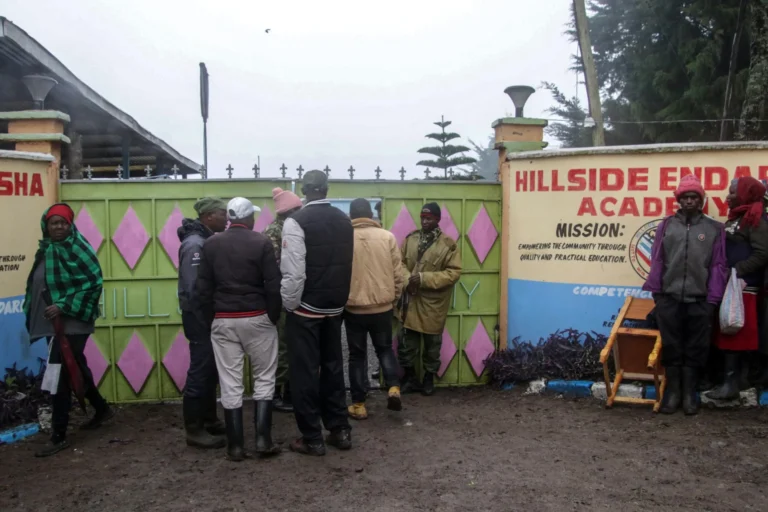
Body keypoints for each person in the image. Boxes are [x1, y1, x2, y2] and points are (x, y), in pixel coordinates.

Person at [196, 197, 282, 461]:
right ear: (250, 219)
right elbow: (272, 283)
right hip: (257, 317)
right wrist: (273, 316)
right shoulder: (261, 242)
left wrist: (212, 318)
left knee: (230, 383)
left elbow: (202, 288)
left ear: (231, 218)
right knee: (264, 377)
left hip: (223, 319)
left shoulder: (211, 244)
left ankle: (235, 446)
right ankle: (262, 440)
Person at [24, 203, 112, 457]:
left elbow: (92, 283)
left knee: (61, 372)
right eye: (54, 223)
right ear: (46, 226)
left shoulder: (78, 248)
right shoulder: (46, 250)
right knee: (77, 366)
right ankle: (101, 408)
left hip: (74, 320)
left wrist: (63, 305)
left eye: (63, 223)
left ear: (70, 225)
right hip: (53, 322)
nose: (59, 227)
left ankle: (58, 435)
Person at [281, 170, 354, 456]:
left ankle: (312, 437)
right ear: (326, 189)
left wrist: (290, 304)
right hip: (334, 306)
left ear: (304, 190)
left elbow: (294, 272)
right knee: (334, 367)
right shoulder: (344, 220)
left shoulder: (296, 222)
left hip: (305, 309)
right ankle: (340, 429)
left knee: (305, 373)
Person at [642, 175, 728, 415]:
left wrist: (712, 299)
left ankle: (690, 394)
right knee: (672, 346)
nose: (690, 201)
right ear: (679, 200)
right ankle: (673, 393)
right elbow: (658, 260)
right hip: (669, 298)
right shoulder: (667, 226)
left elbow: (718, 266)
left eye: (694, 197)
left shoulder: (714, 229)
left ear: (701, 200)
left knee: (696, 347)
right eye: (685, 197)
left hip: (700, 300)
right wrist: (658, 293)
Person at [706, 177, 768, 400]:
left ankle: (731, 384)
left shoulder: (756, 220)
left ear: (745, 194)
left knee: (735, 332)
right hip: (731, 286)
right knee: (728, 331)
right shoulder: (739, 217)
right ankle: (736, 379)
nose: (727, 197)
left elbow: (762, 253)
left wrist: (738, 270)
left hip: (743, 288)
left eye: (732, 193)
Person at [345, 198, 405, 420]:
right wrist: (393, 298)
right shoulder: (387, 237)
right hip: (383, 306)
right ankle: (393, 388)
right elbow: (398, 274)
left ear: (351, 216)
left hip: (354, 308)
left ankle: (359, 404)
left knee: (356, 356)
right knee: (385, 348)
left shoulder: (345, 238)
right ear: (371, 215)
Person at [177, 197, 228, 449]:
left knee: (210, 369)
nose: (227, 218)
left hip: (205, 315)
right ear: (208, 217)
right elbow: (194, 288)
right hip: (199, 317)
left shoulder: (205, 240)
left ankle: (209, 419)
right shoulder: (195, 245)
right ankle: (194, 429)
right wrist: (206, 316)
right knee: (200, 369)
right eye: (222, 213)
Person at [398, 203, 462, 396]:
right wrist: (407, 279)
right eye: (422, 218)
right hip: (410, 299)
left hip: (433, 303)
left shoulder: (448, 244)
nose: (425, 221)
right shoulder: (410, 239)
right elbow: (399, 263)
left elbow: (454, 273)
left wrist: (425, 279)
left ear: (437, 219)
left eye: (429, 218)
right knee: (407, 343)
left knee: (432, 345)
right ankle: (410, 378)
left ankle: (428, 379)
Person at [263, 187, 303, 413]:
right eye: (298, 209)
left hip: (287, 294)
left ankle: (287, 391)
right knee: (283, 346)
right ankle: (278, 394)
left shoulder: (287, 228)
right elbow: (277, 267)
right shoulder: (275, 232)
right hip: (279, 296)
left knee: (289, 345)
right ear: (289, 211)